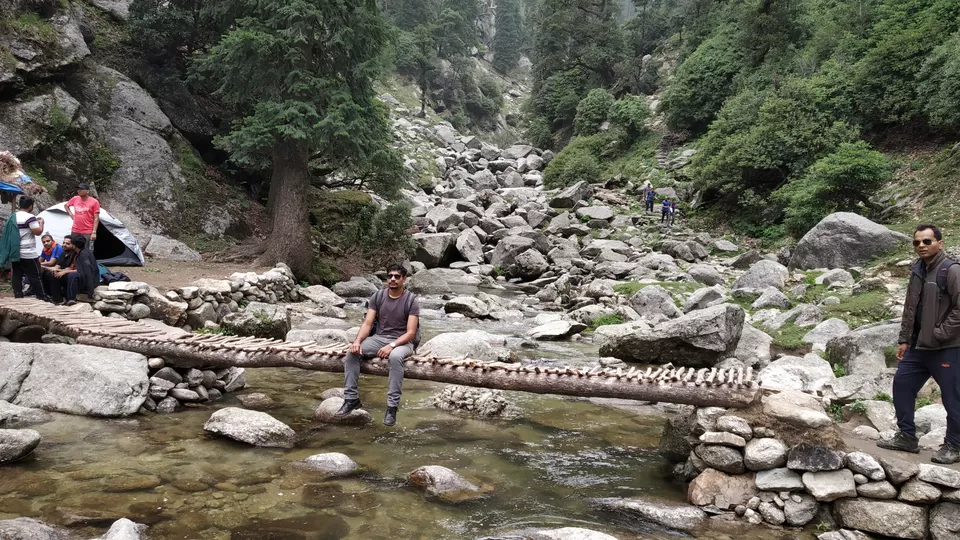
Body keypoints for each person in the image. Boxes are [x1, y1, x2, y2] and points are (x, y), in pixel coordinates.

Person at [877, 224, 960, 464]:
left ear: (940, 243)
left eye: (927, 241)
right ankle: (906, 436)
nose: (921, 246)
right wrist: (905, 339)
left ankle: (954, 445)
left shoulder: (951, 271)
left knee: (952, 397)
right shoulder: (917, 270)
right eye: (917, 243)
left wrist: (940, 333)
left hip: (948, 347)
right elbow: (910, 309)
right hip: (918, 347)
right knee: (902, 384)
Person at [336, 264, 421, 426]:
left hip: (404, 342)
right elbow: (368, 323)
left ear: (404, 279)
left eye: (397, 276)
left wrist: (392, 345)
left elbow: (410, 332)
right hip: (379, 338)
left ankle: (391, 407)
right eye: (390, 276)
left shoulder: (411, 300)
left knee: (395, 357)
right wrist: (357, 341)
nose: (393, 279)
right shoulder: (378, 297)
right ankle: (351, 399)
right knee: (352, 353)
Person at [10, 197, 48, 300]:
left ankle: (18, 295)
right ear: (30, 206)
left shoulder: (13, 216)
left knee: (17, 274)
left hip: (15, 251)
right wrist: (41, 223)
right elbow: (38, 232)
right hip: (28, 252)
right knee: (35, 275)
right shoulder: (29, 217)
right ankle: (42, 297)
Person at [41, 235, 77, 304]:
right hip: (63, 272)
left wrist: (61, 271)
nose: (64, 245)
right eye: (63, 243)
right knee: (47, 273)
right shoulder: (63, 254)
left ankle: (58, 300)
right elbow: (58, 265)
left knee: (53, 275)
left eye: (67, 244)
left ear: (73, 245)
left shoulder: (74, 254)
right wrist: (50, 269)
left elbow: (71, 268)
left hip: (70, 275)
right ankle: (49, 296)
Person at [64, 183, 100, 251]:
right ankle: (73, 261)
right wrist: (71, 214)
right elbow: (66, 205)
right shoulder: (75, 199)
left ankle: (85, 261)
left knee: (85, 250)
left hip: (87, 230)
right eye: (78, 189)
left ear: (87, 191)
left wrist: (94, 232)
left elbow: (96, 218)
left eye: (81, 189)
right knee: (73, 248)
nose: (78, 191)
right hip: (75, 229)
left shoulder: (94, 202)